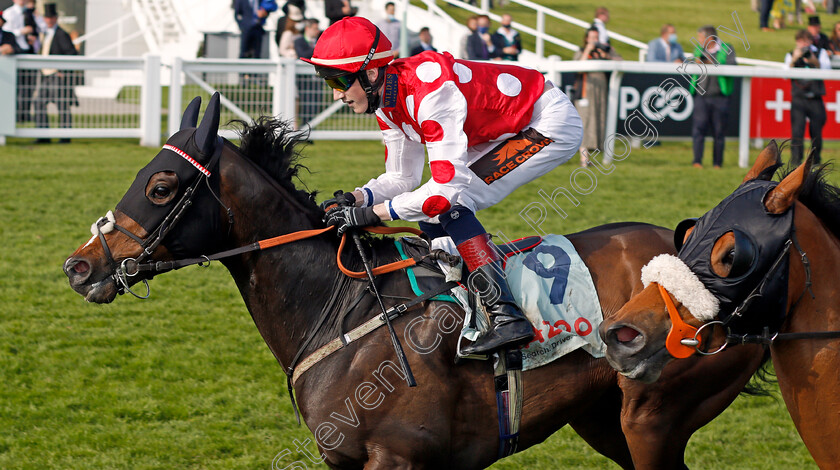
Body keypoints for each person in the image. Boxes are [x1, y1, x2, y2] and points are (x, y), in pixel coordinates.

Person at [301, 17, 583, 355]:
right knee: (430, 214)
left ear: (371, 74)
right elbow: (402, 179)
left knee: (451, 203)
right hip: (505, 126)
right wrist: (357, 197)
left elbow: (443, 192)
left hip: (547, 122)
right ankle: (462, 303)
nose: (336, 93)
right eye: (328, 80)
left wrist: (372, 213)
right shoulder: (386, 101)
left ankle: (506, 316)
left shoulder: (430, 93)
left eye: (340, 80)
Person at [688, 25, 736, 168]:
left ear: (709, 38)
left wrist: (711, 62)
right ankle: (697, 161)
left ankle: (717, 163)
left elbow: (732, 65)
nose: (699, 41)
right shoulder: (698, 49)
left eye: (701, 38)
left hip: (719, 96)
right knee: (698, 129)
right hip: (701, 96)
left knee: (719, 131)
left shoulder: (727, 48)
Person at [573, 27, 620, 166]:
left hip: (600, 92)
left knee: (598, 122)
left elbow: (620, 60)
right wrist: (588, 49)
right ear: (586, 39)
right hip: (585, 91)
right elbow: (578, 67)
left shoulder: (604, 50)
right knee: (584, 124)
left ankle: (594, 157)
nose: (594, 40)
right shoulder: (581, 51)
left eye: (596, 37)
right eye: (591, 37)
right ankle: (584, 159)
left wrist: (607, 56)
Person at [33, 3, 78, 144]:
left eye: (52, 17)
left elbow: (72, 53)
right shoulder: (44, 34)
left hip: (56, 76)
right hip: (44, 75)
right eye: (47, 17)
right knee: (39, 103)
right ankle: (43, 135)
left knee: (62, 105)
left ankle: (65, 137)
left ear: (56, 18)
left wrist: (62, 70)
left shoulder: (62, 34)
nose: (49, 20)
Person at [785, 28, 830, 165]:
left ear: (811, 41)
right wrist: (794, 59)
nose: (803, 45)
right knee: (797, 131)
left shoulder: (820, 52)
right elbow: (786, 73)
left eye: (806, 41)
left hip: (815, 97)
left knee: (816, 131)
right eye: (800, 42)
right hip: (799, 98)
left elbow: (826, 70)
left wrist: (813, 59)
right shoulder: (791, 54)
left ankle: (816, 161)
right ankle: (795, 161)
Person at [294, 19, 322, 123]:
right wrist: (317, 47)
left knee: (315, 106)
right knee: (306, 105)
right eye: (315, 28)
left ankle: (310, 130)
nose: (317, 31)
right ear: (307, 28)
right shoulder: (299, 41)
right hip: (304, 80)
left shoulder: (319, 40)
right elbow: (302, 55)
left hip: (318, 78)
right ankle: (305, 129)